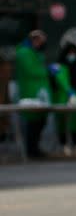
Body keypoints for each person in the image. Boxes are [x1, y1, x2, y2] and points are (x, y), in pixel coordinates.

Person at [15, 30, 50, 158]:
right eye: (40, 41)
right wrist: (47, 71)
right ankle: (31, 150)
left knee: (40, 120)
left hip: (39, 93)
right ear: (34, 40)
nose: (42, 44)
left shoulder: (35, 52)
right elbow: (31, 71)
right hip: (29, 92)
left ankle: (35, 148)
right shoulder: (23, 53)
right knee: (32, 122)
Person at [50, 43, 76, 155]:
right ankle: (63, 144)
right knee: (62, 122)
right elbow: (60, 82)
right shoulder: (59, 66)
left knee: (75, 121)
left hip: (75, 96)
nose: (72, 55)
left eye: (74, 53)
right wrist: (68, 91)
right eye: (70, 53)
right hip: (61, 97)